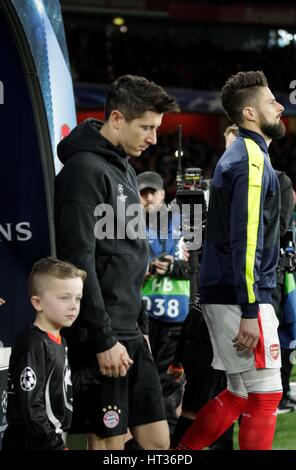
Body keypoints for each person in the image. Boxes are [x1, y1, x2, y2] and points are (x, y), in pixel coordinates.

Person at [54, 75, 179, 450]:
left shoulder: (123, 167)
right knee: (107, 443)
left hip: (129, 329)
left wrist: (139, 325)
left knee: (157, 443)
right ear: (118, 119)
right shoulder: (83, 171)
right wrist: (102, 338)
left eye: (156, 128)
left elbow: (129, 255)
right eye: (147, 127)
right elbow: (78, 262)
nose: (153, 138)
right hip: (101, 334)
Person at [177, 70, 285, 451]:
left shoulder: (241, 155)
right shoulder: (250, 161)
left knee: (240, 394)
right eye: (272, 101)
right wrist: (251, 308)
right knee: (267, 394)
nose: (281, 105)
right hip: (239, 296)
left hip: (225, 290)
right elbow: (247, 241)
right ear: (251, 113)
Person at [2, 257, 86, 450]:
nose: (74, 305)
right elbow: (32, 405)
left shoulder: (60, 341)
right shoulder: (33, 343)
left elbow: (59, 389)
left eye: (78, 298)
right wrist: (54, 445)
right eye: (65, 297)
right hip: (31, 443)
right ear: (38, 303)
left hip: (49, 439)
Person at [137, 171, 189, 436]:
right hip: (142, 322)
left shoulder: (182, 224)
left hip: (175, 322)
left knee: (169, 388)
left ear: (162, 194)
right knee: (142, 386)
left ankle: (166, 446)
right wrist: (145, 267)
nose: (147, 198)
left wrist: (174, 266)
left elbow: (195, 264)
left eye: (151, 192)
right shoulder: (128, 227)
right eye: (142, 193)